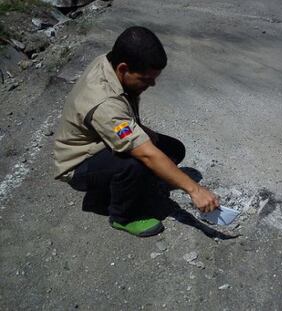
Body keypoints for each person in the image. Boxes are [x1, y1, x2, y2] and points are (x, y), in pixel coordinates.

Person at [53, 26, 219, 237]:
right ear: (123, 69)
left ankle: (134, 186)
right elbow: (143, 151)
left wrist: (142, 130)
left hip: (102, 141)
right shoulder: (105, 102)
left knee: (172, 149)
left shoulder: (109, 62)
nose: (152, 84)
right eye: (146, 79)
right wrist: (195, 190)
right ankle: (123, 216)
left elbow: (123, 117)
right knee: (135, 163)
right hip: (78, 165)